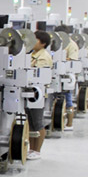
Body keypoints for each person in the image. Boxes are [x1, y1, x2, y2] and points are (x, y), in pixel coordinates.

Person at [27, 31, 53, 160]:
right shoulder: (32, 54)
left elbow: (38, 75)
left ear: (43, 43)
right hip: (31, 92)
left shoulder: (43, 57)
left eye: (35, 40)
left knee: (37, 123)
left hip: (38, 93)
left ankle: (37, 150)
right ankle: (31, 149)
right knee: (31, 123)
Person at [61, 28, 80, 131]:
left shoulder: (72, 44)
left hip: (67, 75)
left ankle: (69, 124)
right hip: (58, 73)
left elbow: (73, 59)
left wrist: (62, 59)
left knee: (68, 100)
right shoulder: (57, 43)